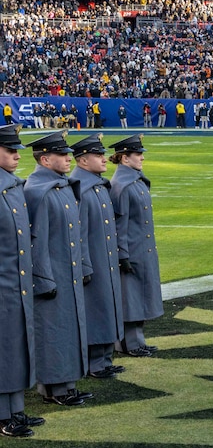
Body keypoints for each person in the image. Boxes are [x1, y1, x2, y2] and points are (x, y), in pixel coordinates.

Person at [24, 130, 91, 407]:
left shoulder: (61, 186)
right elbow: (36, 240)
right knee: (52, 331)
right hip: (52, 275)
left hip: (69, 272)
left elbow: (77, 234)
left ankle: (67, 383)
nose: (68, 159)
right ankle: (53, 388)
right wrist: (43, 278)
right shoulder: (38, 190)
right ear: (44, 159)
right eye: (61, 155)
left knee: (69, 329)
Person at [70, 134, 125, 380]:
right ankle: (94, 362)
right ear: (83, 161)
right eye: (98, 155)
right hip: (92, 259)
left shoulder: (97, 183)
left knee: (107, 306)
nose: (104, 159)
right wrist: (84, 264)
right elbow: (77, 231)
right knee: (96, 310)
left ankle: (104, 359)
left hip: (106, 258)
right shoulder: (80, 187)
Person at [0, 124, 43, 436]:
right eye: (10, 150)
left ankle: (15, 408)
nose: (17, 155)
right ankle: (3, 415)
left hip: (16, 283)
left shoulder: (13, 186)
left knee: (16, 347)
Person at [109, 135, 163, 358]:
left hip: (142, 248)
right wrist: (122, 254)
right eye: (137, 154)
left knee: (140, 296)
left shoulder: (135, 180)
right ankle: (128, 344)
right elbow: (119, 224)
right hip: (131, 250)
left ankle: (136, 340)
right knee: (130, 299)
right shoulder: (122, 185)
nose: (142, 157)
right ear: (124, 158)